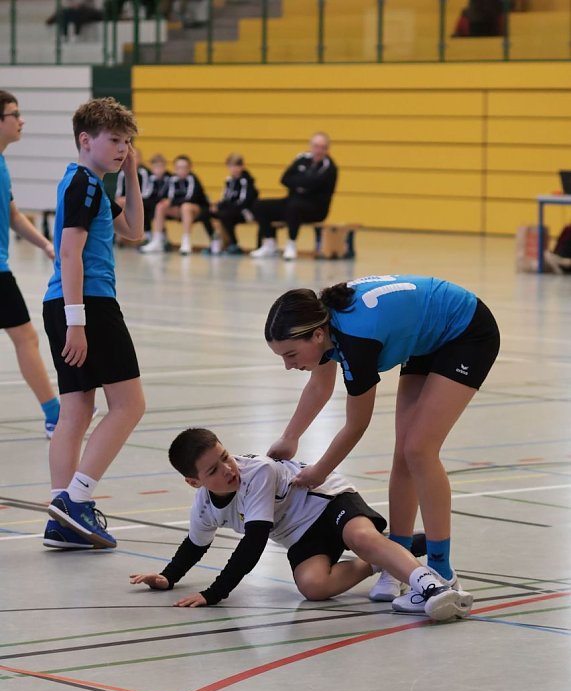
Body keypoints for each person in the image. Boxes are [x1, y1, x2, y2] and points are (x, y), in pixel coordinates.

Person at [264, 275, 500, 614]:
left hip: (465, 332)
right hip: (427, 337)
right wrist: (290, 437)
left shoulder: (355, 341)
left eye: (290, 354)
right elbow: (319, 386)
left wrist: (319, 472)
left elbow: (357, 425)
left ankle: (442, 572)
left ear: (317, 335)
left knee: (420, 449)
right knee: (404, 453)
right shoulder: (325, 325)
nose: (288, 365)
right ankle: (398, 563)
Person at [129, 428, 473, 621]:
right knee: (313, 587)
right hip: (301, 535)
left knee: (359, 536)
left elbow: (254, 542)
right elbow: (195, 543)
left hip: (328, 501)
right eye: (213, 471)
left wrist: (213, 593)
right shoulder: (204, 506)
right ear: (194, 482)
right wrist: (168, 577)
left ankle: (432, 587)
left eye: (225, 457)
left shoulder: (258, 473)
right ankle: (388, 555)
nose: (228, 470)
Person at [43, 97, 146, 551]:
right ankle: (77, 499)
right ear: (86, 141)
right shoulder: (84, 185)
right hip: (89, 304)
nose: (123, 148)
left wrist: (132, 176)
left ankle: (60, 514)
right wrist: (78, 322)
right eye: (115, 141)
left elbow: (135, 231)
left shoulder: (90, 185)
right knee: (129, 404)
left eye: (127, 142)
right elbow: (69, 252)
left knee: (77, 410)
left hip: (65, 304)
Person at [0, 90, 60, 439]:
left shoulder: (3, 162)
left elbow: (12, 215)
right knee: (25, 337)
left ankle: (53, 413)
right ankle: (54, 414)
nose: (21, 120)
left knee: (25, 337)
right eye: (14, 113)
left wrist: (46, 245)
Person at [250, 132, 337, 261]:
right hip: (292, 201)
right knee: (260, 205)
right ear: (310, 145)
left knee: (294, 207)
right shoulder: (302, 159)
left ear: (327, 149)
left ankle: (291, 244)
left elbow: (315, 186)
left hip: (316, 208)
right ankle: (270, 244)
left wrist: (299, 183)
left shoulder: (329, 167)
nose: (318, 150)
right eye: (316, 146)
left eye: (322, 147)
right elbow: (285, 179)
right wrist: (304, 184)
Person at [140, 154, 213, 256]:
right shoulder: (173, 179)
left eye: (184, 168)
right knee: (160, 206)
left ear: (189, 168)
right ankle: (157, 240)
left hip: (198, 210)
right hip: (179, 209)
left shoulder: (193, 179)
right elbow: (166, 196)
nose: (181, 170)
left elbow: (190, 198)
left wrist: (172, 202)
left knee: (186, 206)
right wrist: (167, 202)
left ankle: (186, 241)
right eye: (178, 168)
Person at [209, 153, 258, 255]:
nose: (234, 169)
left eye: (236, 166)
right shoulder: (229, 180)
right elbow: (225, 198)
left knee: (225, 215)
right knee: (208, 213)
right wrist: (217, 206)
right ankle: (215, 242)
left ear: (242, 166)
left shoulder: (246, 181)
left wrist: (223, 206)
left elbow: (244, 201)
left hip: (245, 211)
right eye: (231, 166)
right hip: (231, 209)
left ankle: (234, 244)